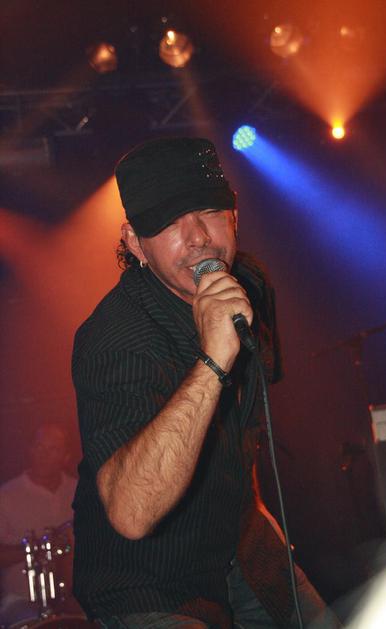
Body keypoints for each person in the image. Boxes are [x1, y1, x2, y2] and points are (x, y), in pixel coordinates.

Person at [72, 137, 341, 628]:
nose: (197, 237)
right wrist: (213, 361)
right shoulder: (115, 337)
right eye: (170, 222)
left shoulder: (249, 285)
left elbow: (242, 432)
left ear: (234, 216)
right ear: (136, 244)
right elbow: (131, 514)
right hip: (150, 582)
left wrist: (259, 523)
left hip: (241, 551)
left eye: (210, 211)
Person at [0, 421, 78, 626]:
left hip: (73, 597)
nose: (43, 454)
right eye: (39, 446)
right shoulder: (6, 495)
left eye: (53, 449)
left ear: (66, 456)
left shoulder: (79, 490)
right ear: (30, 450)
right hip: (21, 600)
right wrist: (41, 548)